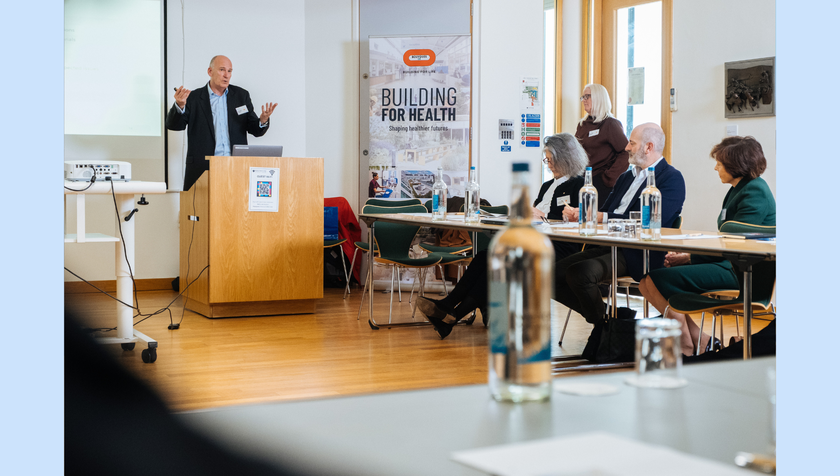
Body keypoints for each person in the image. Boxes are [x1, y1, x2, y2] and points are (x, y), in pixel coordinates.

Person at [416, 133, 590, 339]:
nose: (549, 164)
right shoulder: (547, 186)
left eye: (551, 160)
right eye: (547, 160)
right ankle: (448, 308)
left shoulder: (580, 185)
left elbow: (580, 221)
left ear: (566, 158)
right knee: (485, 256)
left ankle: (451, 314)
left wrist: (545, 217)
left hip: (558, 248)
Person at [638, 136, 775, 355]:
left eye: (720, 164)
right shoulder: (739, 188)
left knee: (656, 279)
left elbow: (737, 242)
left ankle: (686, 343)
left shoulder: (754, 191)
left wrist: (689, 257)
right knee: (647, 281)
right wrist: (689, 255)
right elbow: (728, 238)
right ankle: (700, 341)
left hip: (744, 271)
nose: (715, 168)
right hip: (730, 263)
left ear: (736, 165)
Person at [557, 123, 685, 325]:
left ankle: (606, 328)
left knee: (580, 274)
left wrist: (601, 217)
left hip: (637, 252)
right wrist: (584, 216)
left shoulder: (671, 178)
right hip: (607, 244)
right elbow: (605, 212)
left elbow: (651, 222)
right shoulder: (626, 177)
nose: (626, 147)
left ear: (648, 147)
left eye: (632, 143)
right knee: (552, 275)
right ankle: (614, 320)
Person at [166, 55, 278, 191]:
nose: (226, 75)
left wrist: (263, 120)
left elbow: (255, 129)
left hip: (236, 167)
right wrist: (180, 105)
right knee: (203, 205)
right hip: (203, 168)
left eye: (230, 71)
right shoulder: (194, 98)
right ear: (210, 71)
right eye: (222, 70)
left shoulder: (241, 96)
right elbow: (174, 125)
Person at [575, 84, 630, 206]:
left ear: (598, 98)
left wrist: (609, 178)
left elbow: (626, 152)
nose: (583, 100)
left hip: (601, 183)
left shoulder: (610, 124)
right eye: (583, 97)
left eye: (587, 96)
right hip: (583, 181)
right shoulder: (582, 125)